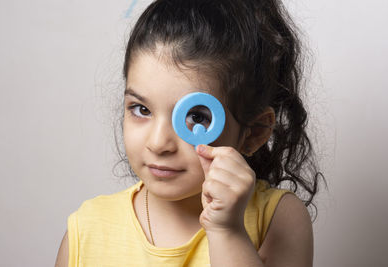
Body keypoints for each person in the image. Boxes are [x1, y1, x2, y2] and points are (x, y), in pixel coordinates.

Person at [55, 0, 324, 266]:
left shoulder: (278, 219)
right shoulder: (86, 229)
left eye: (196, 117)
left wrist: (226, 231)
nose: (159, 143)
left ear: (254, 132)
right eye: (141, 109)